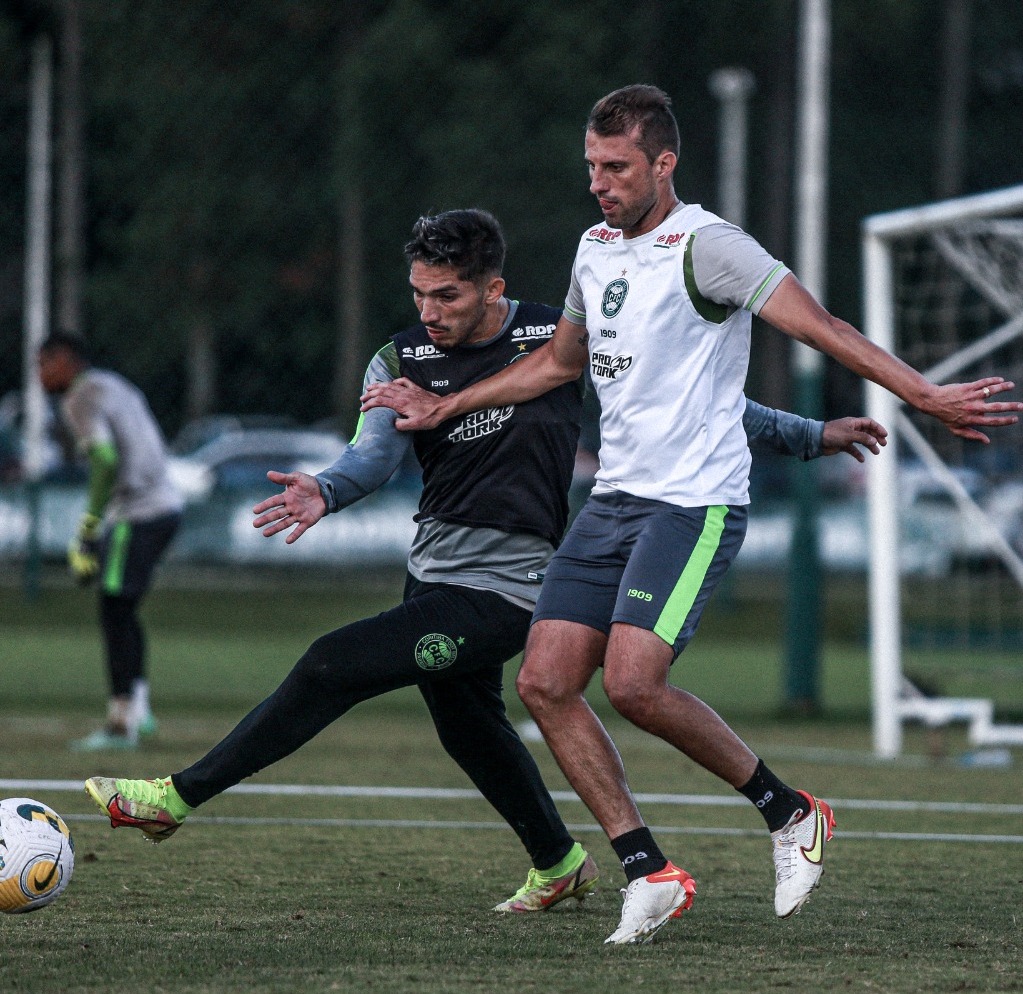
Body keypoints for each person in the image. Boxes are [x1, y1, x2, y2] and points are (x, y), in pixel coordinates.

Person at [361, 87, 1023, 945]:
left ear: (663, 164)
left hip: (694, 503)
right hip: (611, 505)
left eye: (617, 167)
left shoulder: (708, 248)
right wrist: (446, 408)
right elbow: (558, 363)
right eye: (592, 166)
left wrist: (921, 393)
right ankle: (649, 869)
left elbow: (818, 326)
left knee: (633, 684)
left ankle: (792, 814)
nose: (599, 183)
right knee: (544, 681)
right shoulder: (593, 250)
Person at [83, 209, 884, 917]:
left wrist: (812, 435)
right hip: (434, 573)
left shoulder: (555, 339)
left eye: (448, 297)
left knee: (333, 663)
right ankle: (558, 865)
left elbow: (706, 407)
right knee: (467, 725)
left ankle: (177, 797)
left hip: (517, 587)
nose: (429, 313)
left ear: (492, 289)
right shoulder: (398, 358)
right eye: (419, 295)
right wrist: (325, 490)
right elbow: (370, 458)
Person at [38, 331, 184, 751]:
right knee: (123, 609)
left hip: (137, 512)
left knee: (114, 611)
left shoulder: (80, 398)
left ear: (65, 360)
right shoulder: (115, 383)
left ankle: (122, 723)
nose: (40, 375)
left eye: (43, 364)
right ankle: (140, 708)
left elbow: (104, 459)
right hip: (166, 506)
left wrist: (88, 527)